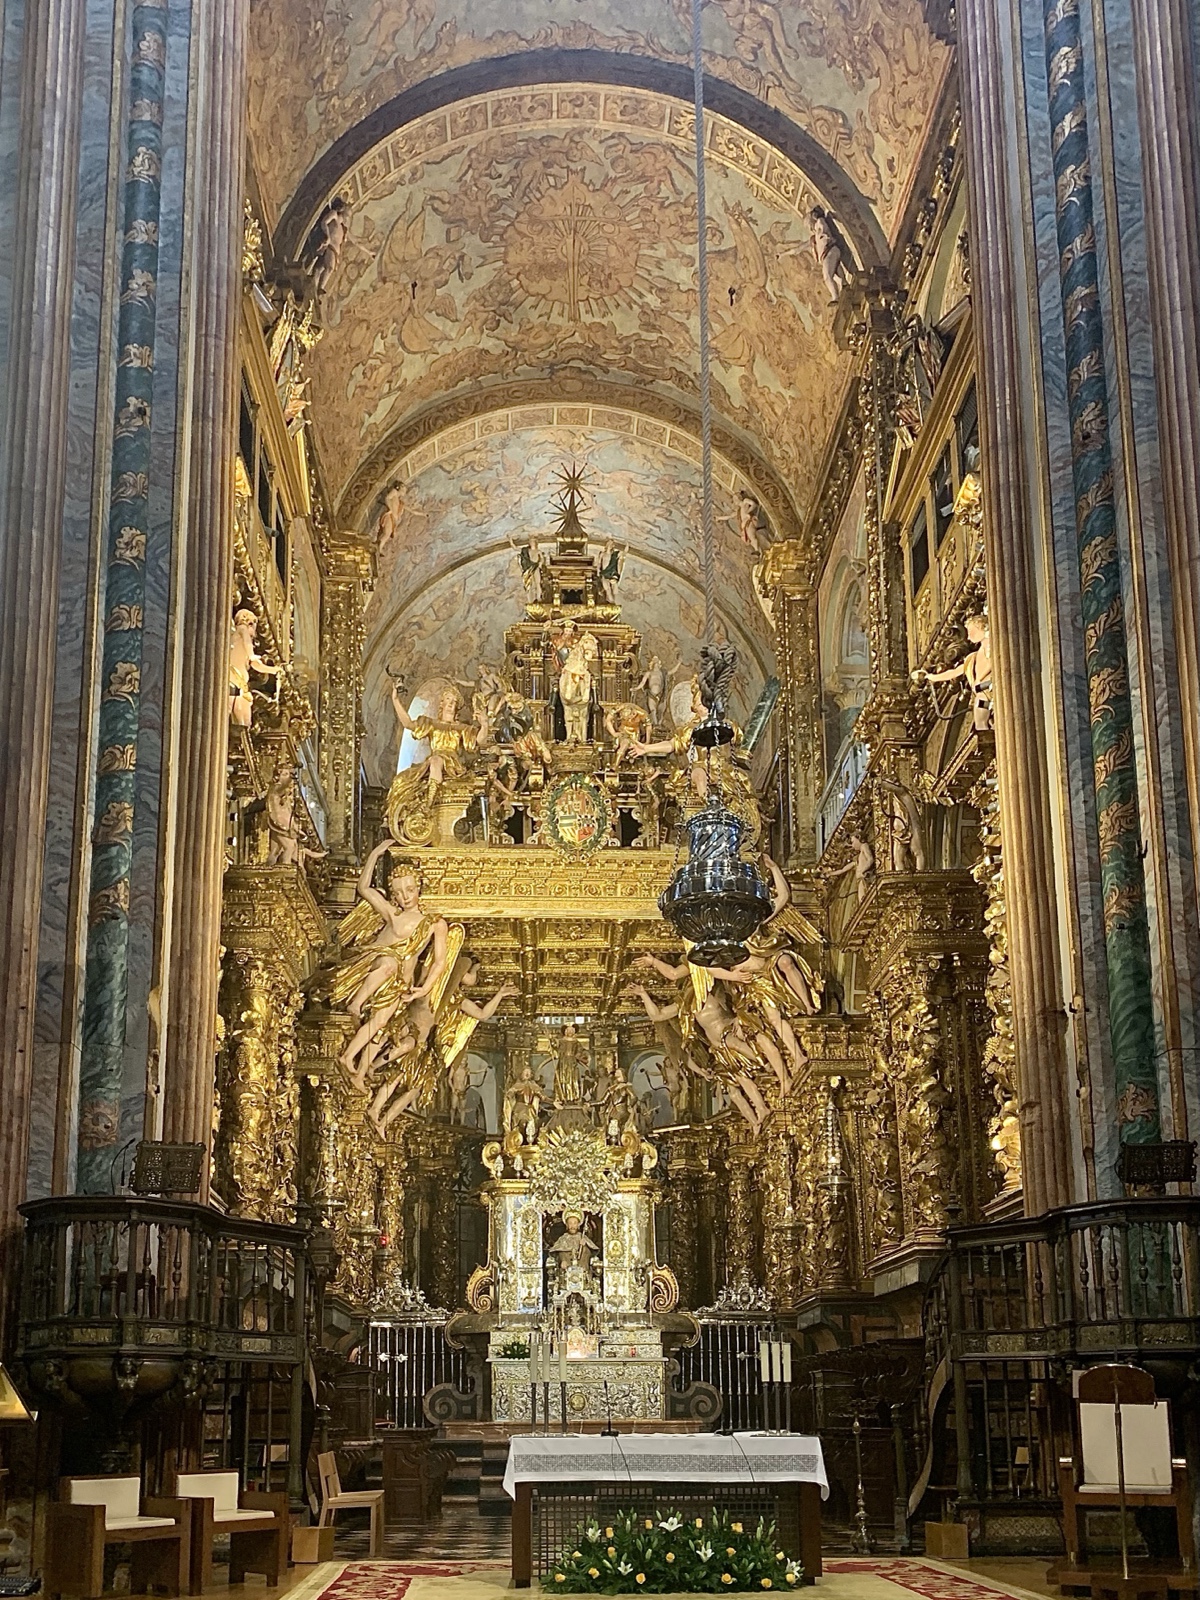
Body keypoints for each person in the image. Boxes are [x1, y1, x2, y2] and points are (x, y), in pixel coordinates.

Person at [329, 842, 449, 1089]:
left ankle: (350, 1059)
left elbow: (440, 962)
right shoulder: (393, 913)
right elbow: (364, 888)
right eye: (399, 892)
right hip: (379, 962)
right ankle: (356, 1003)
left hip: (401, 983)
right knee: (389, 965)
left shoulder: (435, 923)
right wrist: (374, 854)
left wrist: (424, 989)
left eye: (410, 890)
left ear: (419, 888)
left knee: (380, 1023)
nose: (405, 897)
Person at [913, 612, 993, 731]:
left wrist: (980, 680)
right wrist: (932, 677)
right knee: (980, 715)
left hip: (992, 687)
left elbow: (993, 663)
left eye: (971, 631)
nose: (968, 636)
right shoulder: (972, 659)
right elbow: (954, 672)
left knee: (983, 707)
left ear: (982, 627)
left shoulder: (993, 646)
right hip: (983, 694)